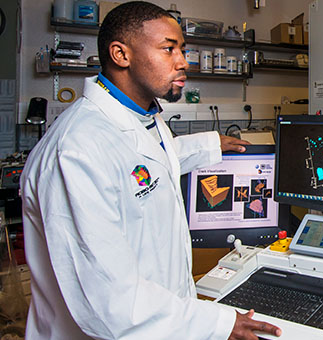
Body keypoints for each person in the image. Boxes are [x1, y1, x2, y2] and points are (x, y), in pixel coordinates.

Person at [20, 2, 282, 339]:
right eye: (168, 49)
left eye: (182, 49)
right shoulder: (77, 149)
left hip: (163, 322)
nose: (182, 62)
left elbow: (150, 161)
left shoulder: (143, 119)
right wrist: (218, 323)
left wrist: (211, 144)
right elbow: (110, 301)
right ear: (121, 54)